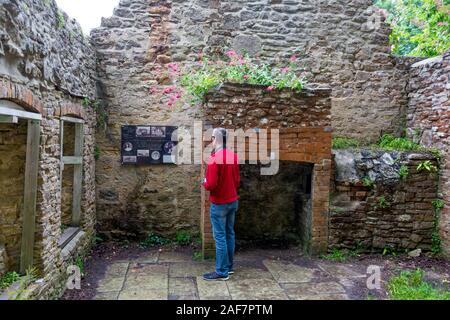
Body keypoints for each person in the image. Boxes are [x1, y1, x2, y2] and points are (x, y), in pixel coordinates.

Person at [202, 128, 240, 281]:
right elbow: (237, 181)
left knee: (220, 237)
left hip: (219, 204)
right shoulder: (233, 156)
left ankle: (222, 271)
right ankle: (229, 267)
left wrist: (204, 182)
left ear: (215, 139)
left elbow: (210, 184)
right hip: (233, 201)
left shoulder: (214, 158)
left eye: (212, 138)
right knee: (230, 233)